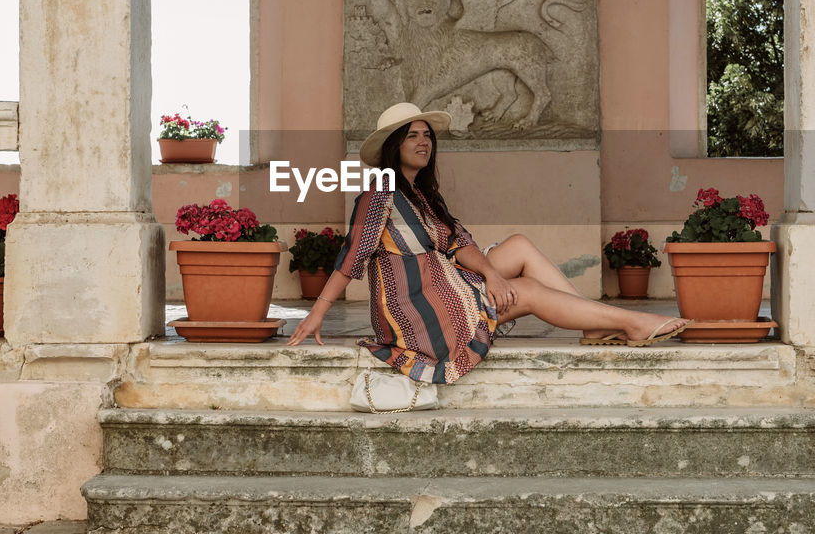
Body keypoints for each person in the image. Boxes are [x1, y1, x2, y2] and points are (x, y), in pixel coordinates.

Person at [285, 102, 691, 383]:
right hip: (416, 311)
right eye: (413, 136)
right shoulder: (380, 192)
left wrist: (493, 275)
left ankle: (594, 325)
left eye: (427, 135)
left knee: (517, 245)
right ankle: (629, 322)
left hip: (444, 284)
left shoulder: (423, 195)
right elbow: (351, 258)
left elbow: (461, 243)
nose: (424, 142)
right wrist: (318, 312)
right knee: (527, 291)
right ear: (395, 145)